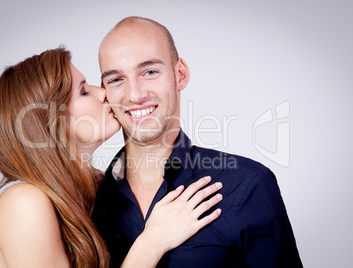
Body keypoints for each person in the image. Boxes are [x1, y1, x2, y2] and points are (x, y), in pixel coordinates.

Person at [0, 47, 224, 268]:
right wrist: (152, 242)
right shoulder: (24, 203)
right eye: (83, 91)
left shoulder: (96, 188)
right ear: (49, 122)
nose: (103, 93)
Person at [92, 16, 303, 267]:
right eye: (116, 79)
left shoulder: (248, 185)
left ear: (180, 74)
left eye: (150, 72)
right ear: (104, 90)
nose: (135, 95)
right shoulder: (88, 200)